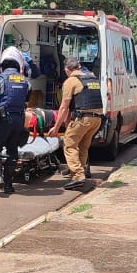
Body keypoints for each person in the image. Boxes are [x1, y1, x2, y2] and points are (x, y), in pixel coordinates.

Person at [0, 47, 36, 197]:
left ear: (2, 66)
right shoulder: (26, 82)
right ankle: (8, 186)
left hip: (2, 119)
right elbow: (25, 101)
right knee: (12, 151)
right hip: (19, 119)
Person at [49, 57, 103, 191]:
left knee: (69, 144)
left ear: (67, 70)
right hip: (97, 119)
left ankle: (78, 175)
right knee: (83, 146)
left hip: (83, 118)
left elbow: (64, 107)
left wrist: (56, 127)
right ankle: (79, 174)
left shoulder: (71, 81)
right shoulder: (92, 78)